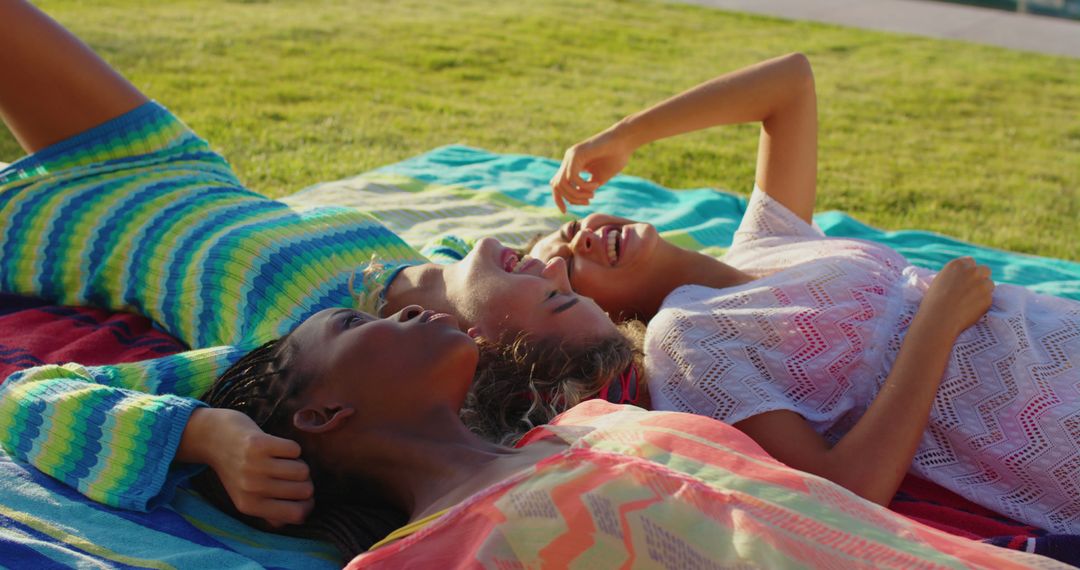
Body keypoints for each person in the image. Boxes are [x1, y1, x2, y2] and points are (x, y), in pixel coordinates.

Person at [0, 0, 636, 529]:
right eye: (567, 282)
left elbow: (29, 399)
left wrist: (206, 433)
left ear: (485, 346)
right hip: (169, 158)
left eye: (556, 297)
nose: (554, 269)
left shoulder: (311, 349)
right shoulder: (433, 264)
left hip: (54, 230)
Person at [527, 53, 1080, 534]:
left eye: (570, 227)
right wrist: (936, 322)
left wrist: (625, 135)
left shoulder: (767, 240)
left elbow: (790, 82)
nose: (582, 237)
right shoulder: (685, 339)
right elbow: (842, 497)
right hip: (1047, 421)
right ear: (596, 312)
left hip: (1057, 329)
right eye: (570, 264)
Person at [194, 294, 1063, 568]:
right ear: (320, 414)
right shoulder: (417, 559)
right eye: (351, 323)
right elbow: (50, 397)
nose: (409, 304)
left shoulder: (590, 420)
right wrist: (205, 433)